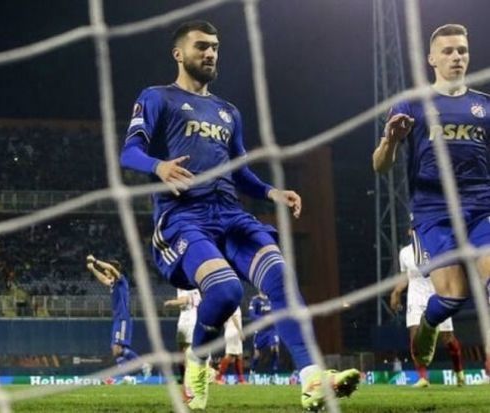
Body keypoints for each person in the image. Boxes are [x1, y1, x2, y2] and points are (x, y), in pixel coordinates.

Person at [120, 19, 360, 410]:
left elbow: (240, 172)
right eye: (201, 46)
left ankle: (312, 378)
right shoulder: (157, 98)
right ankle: (197, 361)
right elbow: (129, 152)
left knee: (280, 276)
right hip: (184, 217)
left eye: (215, 47)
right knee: (227, 292)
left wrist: (271, 192)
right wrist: (158, 166)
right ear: (178, 53)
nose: (210, 53)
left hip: (231, 215)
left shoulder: (228, 112)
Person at [373, 23, 490, 369]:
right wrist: (391, 141)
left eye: (462, 51)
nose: (456, 57)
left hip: (482, 208)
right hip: (433, 212)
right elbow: (380, 166)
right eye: (448, 51)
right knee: (452, 297)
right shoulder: (412, 104)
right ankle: (428, 324)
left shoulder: (484, 106)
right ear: (432, 59)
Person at [390, 236, 465, 387]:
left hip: (437, 293)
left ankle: (459, 373)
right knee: (416, 337)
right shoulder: (405, 253)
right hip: (416, 297)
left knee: (448, 338)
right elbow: (405, 277)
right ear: (410, 232)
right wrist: (396, 292)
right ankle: (423, 378)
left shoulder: (435, 245)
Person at [86, 255, 151, 377]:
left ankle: (143, 365)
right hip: (118, 318)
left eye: (106, 270)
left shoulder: (121, 280)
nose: (105, 272)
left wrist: (95, 261)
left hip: (123, 318)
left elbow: (110, 268)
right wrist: (93, 269)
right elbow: (103, 279)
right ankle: (126, 377)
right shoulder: (113, 283)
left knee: (117, 348)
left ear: (112, 270)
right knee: (116, 350)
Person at [164, 288, 202, 383]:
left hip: (187, 321)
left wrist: (170, 303)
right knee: (186, 351)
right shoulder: (195, 287)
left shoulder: (183, 285)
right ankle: (187, 377)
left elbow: (184, 300)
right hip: (194, 319)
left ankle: (187, 377)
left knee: (184, 352)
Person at [248, 292, 281, 377]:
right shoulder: (255, 300)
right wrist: (264, 319)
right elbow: (252, 315)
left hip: (272, 329)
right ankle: (252, 371)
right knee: (257, 354)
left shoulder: (271, 299)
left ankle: (273, 373)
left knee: (275, 348)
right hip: (260, 330)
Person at [215, 306, 246, 384]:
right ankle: (218, 378)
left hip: (232, 331)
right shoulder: (233, 304)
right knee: (229, 355)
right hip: (233, 332)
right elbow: (234, 318)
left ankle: (241, 380)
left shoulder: (233, 305)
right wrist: (240, 331)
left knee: (239, 355)